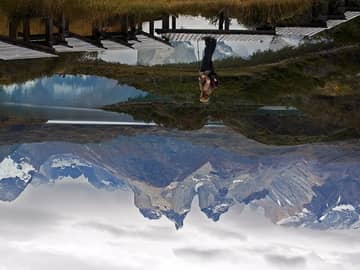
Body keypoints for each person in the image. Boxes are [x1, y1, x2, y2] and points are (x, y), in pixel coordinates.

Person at [199, 37, 218, 103]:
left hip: (210, 71)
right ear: (203, 96)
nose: (200, 95)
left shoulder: (209, 91)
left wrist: (200, 79)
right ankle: (208, 41)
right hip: (206, 71)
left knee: (209, 57)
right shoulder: (205, 90)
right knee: (207, 56)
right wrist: (203, 76)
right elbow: (208, 81)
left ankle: (213, 42)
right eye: (201, 96)